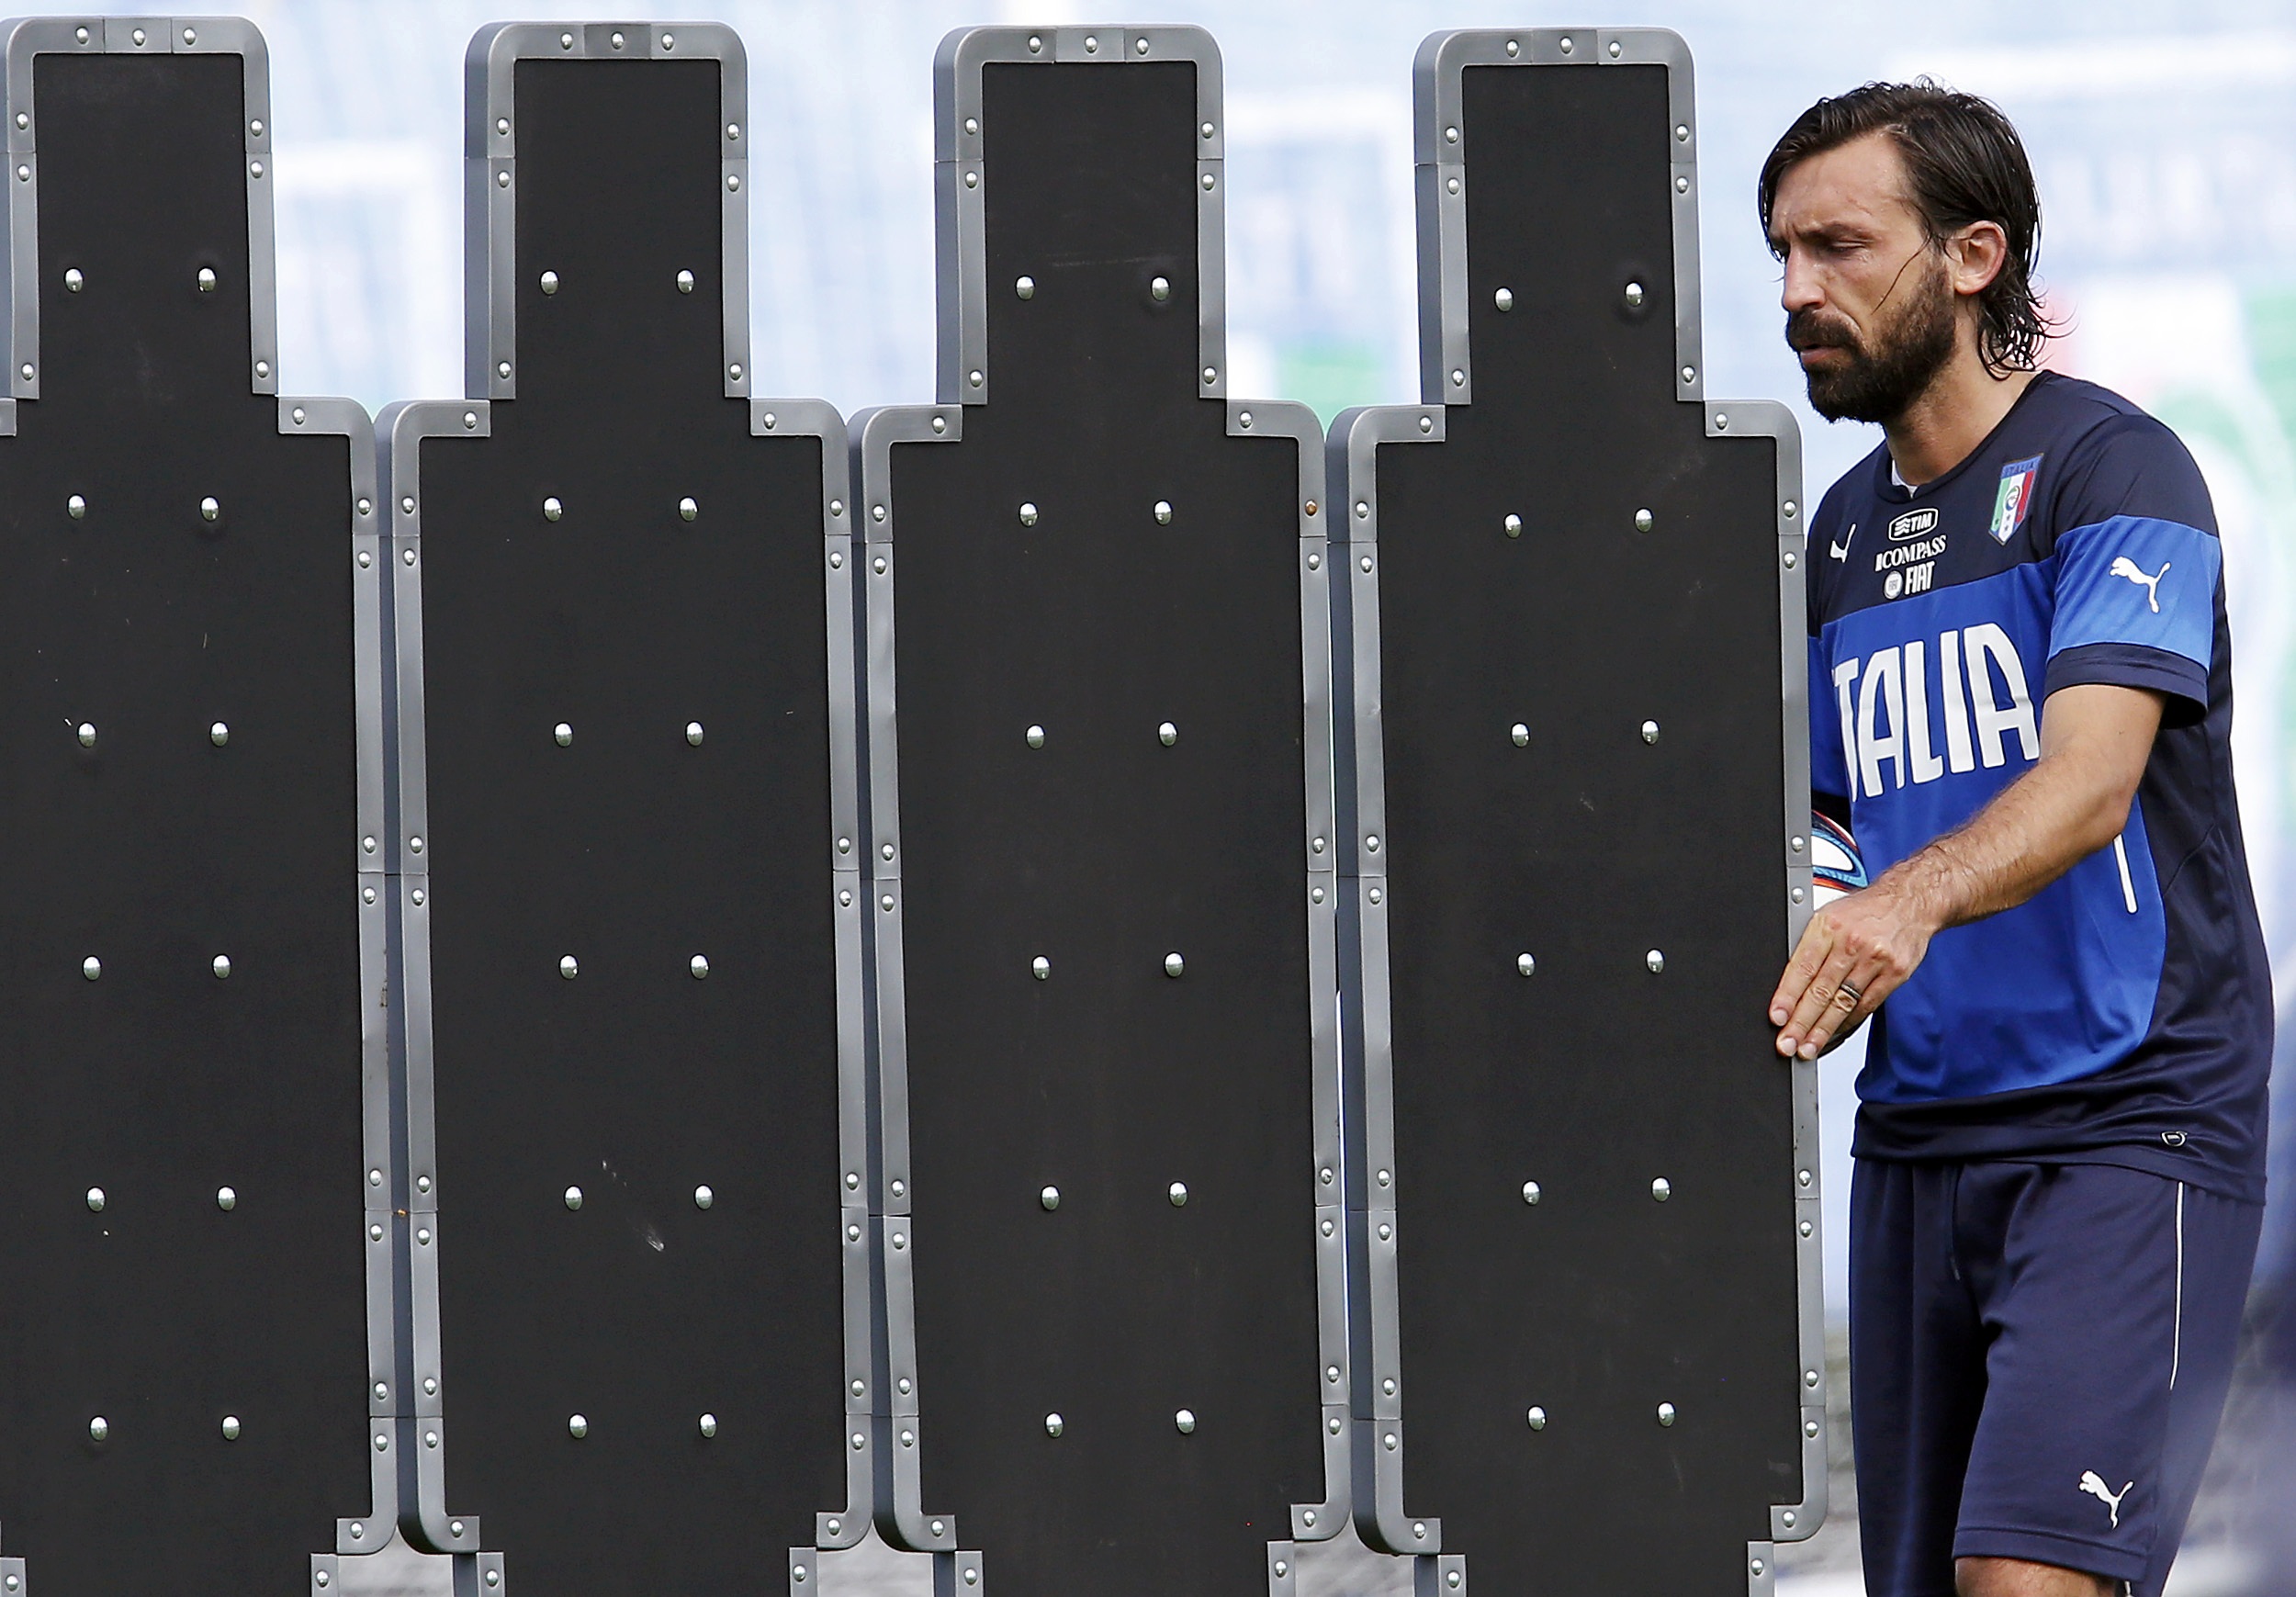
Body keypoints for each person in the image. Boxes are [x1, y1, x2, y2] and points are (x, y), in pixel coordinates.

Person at [1760, 84, 2270, 1597]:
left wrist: (1900, 906)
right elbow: (1833, 823)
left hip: (2131, 1127)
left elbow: (2090, 782)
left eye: (1839, 247)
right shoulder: (1841, 530)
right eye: (1780, 254)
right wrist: (1817, 898)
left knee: (2027, 1584)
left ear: (1975, 254)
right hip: (1917, 1139)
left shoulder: (2121, 473)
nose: (1796, 292)